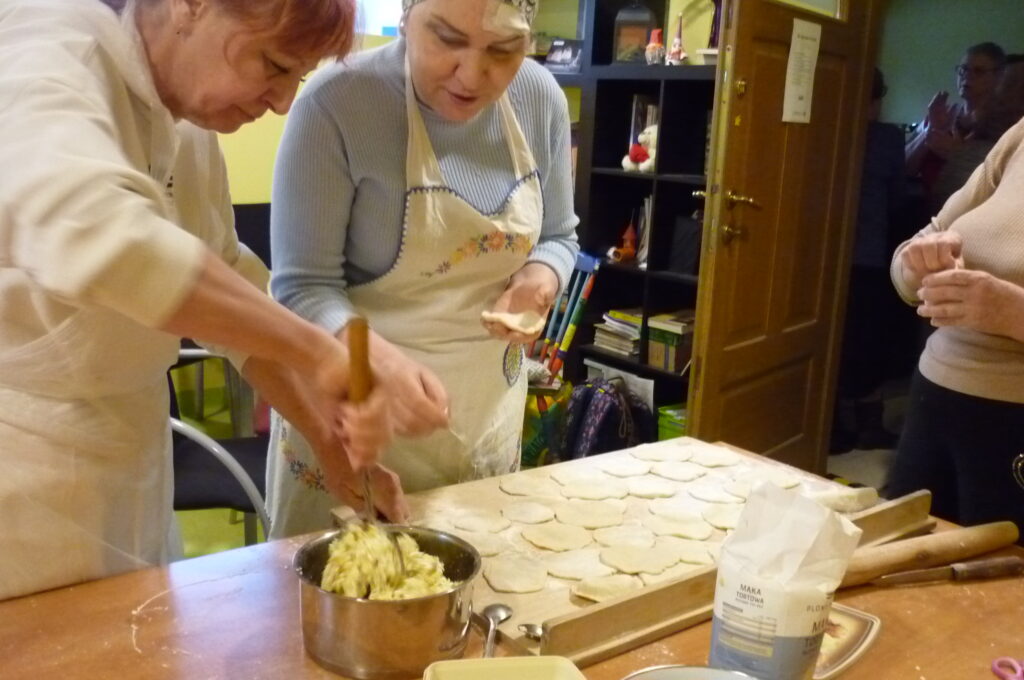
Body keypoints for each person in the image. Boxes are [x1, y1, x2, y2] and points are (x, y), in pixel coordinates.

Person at [0, 0, 402, 601]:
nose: (282, 102)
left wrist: (325, 437)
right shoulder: (47, 44)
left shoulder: (187, 125)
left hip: (133, 460)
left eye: (300, 76)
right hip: (24, 478)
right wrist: (319, 352)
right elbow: (100, 235)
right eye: (273, 64)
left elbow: (227, 292)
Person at [266, 0, 580, 537]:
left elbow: (559, 236)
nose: (472, 74)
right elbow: (301, 287)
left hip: (484, 413)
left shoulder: (539, 98)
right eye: (447, 39)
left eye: (503, 50)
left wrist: (540, 278)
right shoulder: (337, 104)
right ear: (407, 14)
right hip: (359, 422)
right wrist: (379, 364)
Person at [886, 115, 1024, 535]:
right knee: (899, 571)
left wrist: (1012, 312)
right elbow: (917, 249)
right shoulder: (1019, 134)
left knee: (996, 597)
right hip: (934, 399)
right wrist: (918, 266)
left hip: (1013, 423)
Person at [831, 68, 906, 453]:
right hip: (868, 254)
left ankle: (834, 423)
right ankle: (867, 424)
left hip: (824, 253)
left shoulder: (823, 132)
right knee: (866, 341)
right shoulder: (886, 139)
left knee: (833, 337)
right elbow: (897, 195)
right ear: (876, 101)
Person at [905, 42, 1007, 213]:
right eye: (963, 69)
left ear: (999, 77)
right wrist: (930, 131)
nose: (967, 76)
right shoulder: (943, 112)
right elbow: (905, 169)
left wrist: (958, 154)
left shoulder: (1005, 123)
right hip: (927, 211)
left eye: (979, 71)